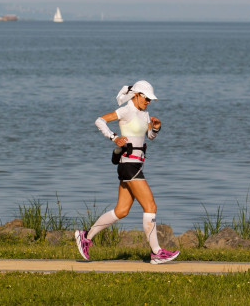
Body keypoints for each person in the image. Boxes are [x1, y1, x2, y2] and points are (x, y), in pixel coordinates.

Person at [75, 80, 179, 264]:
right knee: (150, 206)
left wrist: (156, 127)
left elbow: (150, 137)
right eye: (146, 98)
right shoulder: (127, 109)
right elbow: (99, 121)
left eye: (150, 100)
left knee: (121, 211)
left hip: (136, 165)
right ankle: (156, 252)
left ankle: (86, 237)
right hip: (128, 164)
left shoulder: (144, 113)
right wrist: (114, 137)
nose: (148, 102)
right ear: (137, 95)